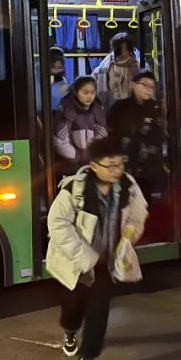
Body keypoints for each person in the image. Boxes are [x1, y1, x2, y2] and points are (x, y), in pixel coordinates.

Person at [45, 135, 148, 360]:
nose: (117, 171)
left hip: (106, 264)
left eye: (120, 164)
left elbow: (138, 214)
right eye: (110, 166)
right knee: (72, 309)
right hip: (76, 263)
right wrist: (85, 257)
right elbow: (57, 223)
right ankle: (70, 331)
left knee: (99, 310)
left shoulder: (128, 186)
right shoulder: (75, 189)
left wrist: (129, 238)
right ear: (94, 166)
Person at [107, 71, 167, 238]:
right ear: (133, 85)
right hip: (124, 165)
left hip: (148, 166)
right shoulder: (119, 107)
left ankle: (143, 234)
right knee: (125, 200)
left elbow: (160, 134)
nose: (148, 90)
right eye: (145, 85)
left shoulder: (155, 108)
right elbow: (111, 133)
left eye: (152, 87)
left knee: (145, 201)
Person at [54, 75, 108, 174]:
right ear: (76, 92)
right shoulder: (66, 109)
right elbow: (60, 141)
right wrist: (75, 156)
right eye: (85, 92)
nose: (89, 96)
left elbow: (102, 134)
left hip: (93, 164)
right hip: (69, 165)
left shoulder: (97, 109)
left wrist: (94, 155)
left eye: (92, 92)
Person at [94, 32, 140, 107]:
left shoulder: (139, 66)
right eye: (120, 49)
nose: (123, 52)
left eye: (126, 49)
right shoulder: (102, 69)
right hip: (111, 109)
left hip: (133, 109)